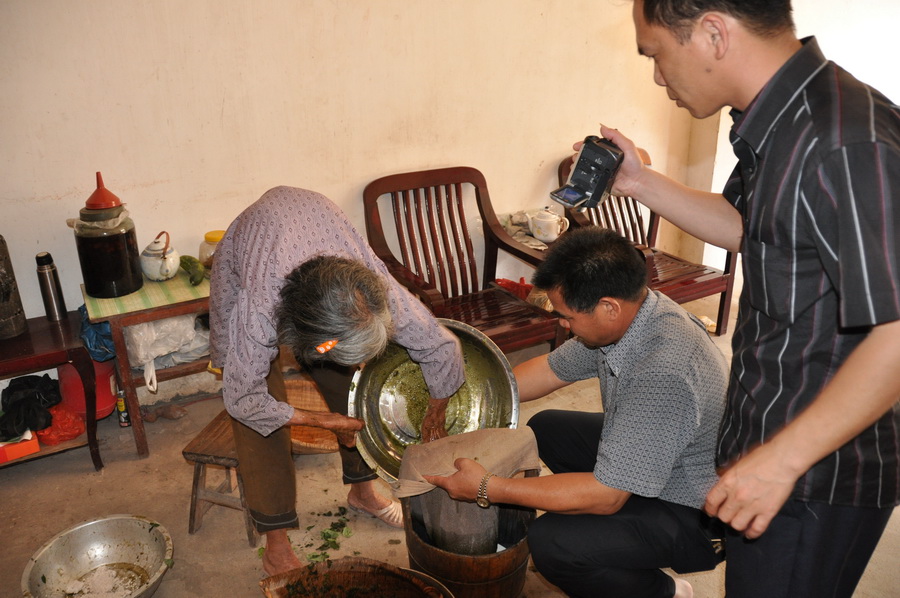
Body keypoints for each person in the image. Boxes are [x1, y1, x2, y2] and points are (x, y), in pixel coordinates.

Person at [593, 1, 900, 596]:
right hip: (771, 442)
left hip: (814, 473)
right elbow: (750, 227)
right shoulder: (780, 121)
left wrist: (781, 461)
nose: (657, 76)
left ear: (713, 33)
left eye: (657, 54)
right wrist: (637, 181)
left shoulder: (842, 140)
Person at [426, 227, 728, 598]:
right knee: (548, 427)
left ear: (608, 307)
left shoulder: (662, 372)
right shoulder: (634, 315)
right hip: (663, 461)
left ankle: (664, 590)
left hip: (695, 509)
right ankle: (621, 537)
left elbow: (607, 495)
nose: (561, 324)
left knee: (552, 542)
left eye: (567, 316)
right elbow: (550, 370)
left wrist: (488, 487)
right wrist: (463, 399)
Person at [209, 186, 465, 575]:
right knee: (260, 424)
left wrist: (435, 415)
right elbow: (243, 399)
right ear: (319, 342)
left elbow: (442, 347)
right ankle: (276, 544)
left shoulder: (375, 293)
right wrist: (322, 421)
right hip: (253, 256)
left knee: (352, 393)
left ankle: (363, 493)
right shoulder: (259, 307)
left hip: (316, 233)